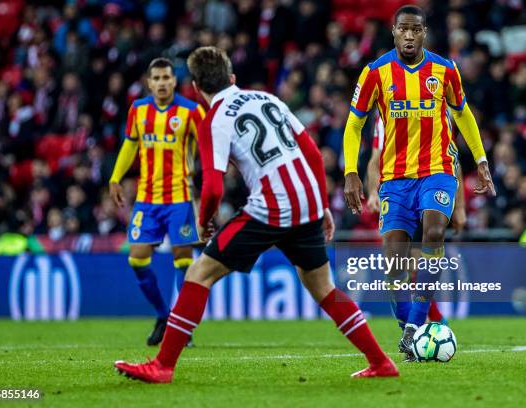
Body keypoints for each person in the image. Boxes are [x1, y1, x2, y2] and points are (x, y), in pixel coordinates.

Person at [114, 46, 400, 383]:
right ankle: (381, 362)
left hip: (273, 206)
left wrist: (205, 221)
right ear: (232, 78)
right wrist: (321, 204)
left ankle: (162, 365)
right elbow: (312, 153)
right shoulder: (267, 99)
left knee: (199, 274)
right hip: (306, 200)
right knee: (323, 287)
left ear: (194, 88)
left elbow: (213, 188)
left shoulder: (214, 121)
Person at [343, 5, 496, 362]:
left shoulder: (445, 69)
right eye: (403, 29)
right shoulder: (375, 73)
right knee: (395, 264)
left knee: (433, 233)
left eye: (415, 29)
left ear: (424, 32)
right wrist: (351, 170)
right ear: (393, 32)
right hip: (395, 178)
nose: (409, 35)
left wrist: (482, 159)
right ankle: (408, 325)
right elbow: (354, 125)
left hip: (437, 170)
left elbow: (463, 115)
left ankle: (414, 329)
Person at [109, 58, 205, 346]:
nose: (162, 82)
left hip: (180, 199)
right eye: (157, 78)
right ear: (149, 82)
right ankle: (164, 315)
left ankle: (182, 326)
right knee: (137, 257)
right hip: (147, 199)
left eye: (167, 77)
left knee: (183, 258)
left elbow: (209, 147)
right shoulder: (138, 110)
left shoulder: (191, 111)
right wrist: (115, 178)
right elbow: (130, 144)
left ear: (175, 81)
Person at [365, 114, 462, 328]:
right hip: (399, 189)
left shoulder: (438, 109)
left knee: (416, 262)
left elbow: (453, 160)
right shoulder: (386, 115)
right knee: (399, 263)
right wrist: (373, 191)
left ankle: (421, 324)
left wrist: (460, 207)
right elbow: (375, 159)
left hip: (430, 187)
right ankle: (427, 322)